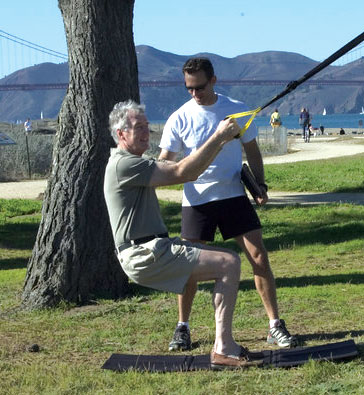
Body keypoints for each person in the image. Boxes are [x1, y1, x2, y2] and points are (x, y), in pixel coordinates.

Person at [104, 100, 261, 369]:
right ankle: (223, 349)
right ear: (121, 134)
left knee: (226, 263)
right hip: (144, 254)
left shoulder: (132, 163)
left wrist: (218, 141)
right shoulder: (125, 165)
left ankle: (220, 344)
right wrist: (219, 136)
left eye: (147, 127)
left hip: (151, 249)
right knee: (229, 263)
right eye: (138, 127)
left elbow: (188, 169)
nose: (146, 132)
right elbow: (183, 171)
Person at [159, 57, 297, 352]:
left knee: (259, 257)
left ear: (213, 81)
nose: (194, 94)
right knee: (187, 266)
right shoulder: (179, 117)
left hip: (234, 195)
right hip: (196, 201)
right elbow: (165, 162)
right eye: (188, 88)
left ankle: (275, 325)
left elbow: (252, 150)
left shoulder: (236, 109)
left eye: (198, 87)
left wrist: (260, 185)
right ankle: (182, 327)